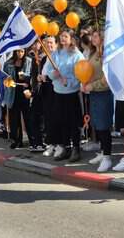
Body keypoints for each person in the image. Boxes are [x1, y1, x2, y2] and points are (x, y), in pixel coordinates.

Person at [45, 30, 84, 162]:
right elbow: (49, 69)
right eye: (61, 36)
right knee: (62, 122)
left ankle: (76, 149)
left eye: (65, 36)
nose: (62, 38)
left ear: (71, 38)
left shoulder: (77, 55)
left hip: (72, 94)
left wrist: (71, 82)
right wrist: (52, 75)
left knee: (73, 123)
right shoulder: (56, 53)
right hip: (58, 93)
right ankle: (66, 148)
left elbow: (82, 74)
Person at [81, 30, 114, 171]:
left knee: (104, 126)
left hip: (103, 94)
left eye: (96, 36)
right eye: (92, 36)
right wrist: (84, 82)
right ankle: (102, 152)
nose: (93, 38)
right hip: (93, 94)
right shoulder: (93, 53)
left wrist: (91, 85)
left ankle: (107, 157)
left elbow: (106, 80)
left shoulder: (106, 55)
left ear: (103, 38)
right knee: (97, 125)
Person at [5, 48, 31, 149]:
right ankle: (16, 140)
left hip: (25, 92)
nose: (19, 53)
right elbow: (5, 76)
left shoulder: (28, 61)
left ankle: (32, 140)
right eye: (17, 51)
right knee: (14, 118)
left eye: (22, 51)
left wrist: (25, 77)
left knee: (27, 116)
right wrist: (7, 80)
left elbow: (31, 75)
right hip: (13, 92)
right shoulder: (9, 63)